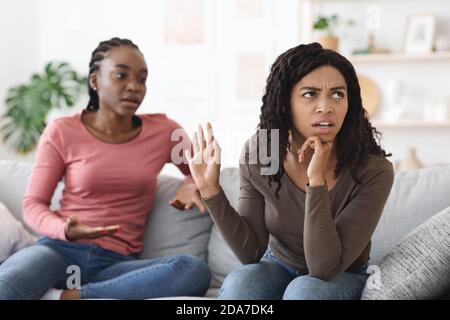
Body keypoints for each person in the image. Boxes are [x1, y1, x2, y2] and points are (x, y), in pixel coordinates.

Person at [0, 37, 210, 300]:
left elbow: (199, 171)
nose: (134, 87)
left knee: (192, 270)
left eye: (142, 79)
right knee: (6, 285)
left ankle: (72, 296)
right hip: (58, 251)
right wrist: (65, 229)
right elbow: (33, 204)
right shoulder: (61, 131)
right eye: (121, 75)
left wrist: (191, 186)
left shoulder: (166, 131)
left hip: (115, 265)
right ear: (95, 81)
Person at [185, 43, 395, 300]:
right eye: (310, 94)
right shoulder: (264, 152)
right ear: (285, 103)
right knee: (242, 284)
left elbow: (324, 268)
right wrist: (210, 190)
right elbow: (251, 253)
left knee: (304, 291)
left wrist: (315, 181)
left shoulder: (372, 170)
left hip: (341, 275)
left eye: (338, 94)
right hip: (278, 265)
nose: (326, 106)